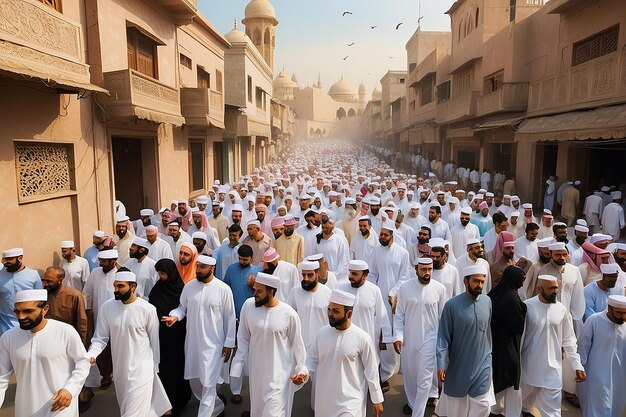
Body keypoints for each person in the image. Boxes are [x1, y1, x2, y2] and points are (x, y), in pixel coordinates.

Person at [87, 269, 171, 416]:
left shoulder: (148, 309)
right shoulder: (107, 307)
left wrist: (155, 368)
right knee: (128, 409)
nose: (116, 290)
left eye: (120, 286)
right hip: (120, 371)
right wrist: (92, 354)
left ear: (133, 287)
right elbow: (100, 338)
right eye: (114, 286)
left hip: (142, 370)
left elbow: (154, 341)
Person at [162, 255, 236, 417]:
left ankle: (206, 412)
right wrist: (175, 316)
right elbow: (182, 308)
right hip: (193, 344)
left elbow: (230, 317)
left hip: (215, 345)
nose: (198, 270)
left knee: (208, 384)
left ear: (212, 268)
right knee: (196, 383)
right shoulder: (189, 287)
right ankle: (217, 407)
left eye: (202, 267)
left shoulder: (223, 289)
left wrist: (229, 343)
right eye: (198, 266)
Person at [0, 289, 90, 417]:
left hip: (60, 407)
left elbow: (83, 362)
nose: (21, 316)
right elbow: (1, 377)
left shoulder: (65, 331)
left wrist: (70, 389)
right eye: (17, 312)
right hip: (26, 408)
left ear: (45, 309)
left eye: (28, 311)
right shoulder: (8, 338)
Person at [230, 272, 308, 417]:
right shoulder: (248, 306)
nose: (254, 294)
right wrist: (237, 365)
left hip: (280, 377)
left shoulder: (289, 314)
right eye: (254, 289)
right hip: (257, 374)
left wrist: (302, 370)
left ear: (271, 292)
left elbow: (298, 345)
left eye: (259, 291)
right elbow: (243, 338)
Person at [309, 289, 384, 417]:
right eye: (329, 310)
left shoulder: (362, 337)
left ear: (348, 314)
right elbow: (311, 360)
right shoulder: (321, 333)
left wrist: (377, 399)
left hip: (351, 401)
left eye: (336, 311)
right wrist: (303, 374)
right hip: (325, 400)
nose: (330, 314)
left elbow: (371, 370)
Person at [520, 275, 586, 417]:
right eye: (551, 288)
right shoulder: (527, 306)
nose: (555, 291)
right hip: (528, 369)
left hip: (553, 371)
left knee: (553, 413)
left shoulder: (561, 309)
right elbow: (519, 340)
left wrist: (577, 364)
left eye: (556, 287)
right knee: (521, 406)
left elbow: (569, 339)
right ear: (539, 289)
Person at [435, 265, 494, 417]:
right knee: (457, 410)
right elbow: (443, 336)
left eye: (482, 281)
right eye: (476, 281)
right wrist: (441, 364)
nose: (480, 285)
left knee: (483, 405)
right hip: (459, 366)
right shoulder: (452, 305)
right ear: (465, 281)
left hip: (483, 364)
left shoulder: (487, 301)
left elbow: (487, 332)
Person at [393, 257, 446, 417]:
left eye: (429, 269)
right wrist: (398, 336)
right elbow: (399, 315)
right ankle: (412, 402)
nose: (427, 273)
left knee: (424, 379)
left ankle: (418, 413)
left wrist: (442, 343)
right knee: (410, 374)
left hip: (431, 340)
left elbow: (443, 317)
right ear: (416, 269)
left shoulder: (439, 288)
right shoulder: (405, 288)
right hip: (409, 339)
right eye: (423, 269)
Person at [41, 266, 92, 411]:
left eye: (49, 281)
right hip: (49, 343)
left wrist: (81, 346)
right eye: (44, 280)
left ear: (60, 280)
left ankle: (81, 399)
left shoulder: (74, 295)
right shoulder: (43, 295)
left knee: (74, 373)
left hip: (70, 343)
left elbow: (82, 322)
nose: (45, 284)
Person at [286, 259, 332, 408]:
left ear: (317, 274)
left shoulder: (327, 293)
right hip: (298, 345)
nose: (305, 279)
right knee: (288, 381)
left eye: (309, 275)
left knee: (320, 385)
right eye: (303, 275)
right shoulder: (295, 291)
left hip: (320, 346)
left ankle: (317, 410)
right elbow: (287, 315)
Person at [149, 259, 191, 417]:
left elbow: (184, 311)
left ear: (171, 273)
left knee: (177, 369)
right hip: (161, 337)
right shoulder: (157, 288)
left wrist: (174, 319)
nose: (160, 276)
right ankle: (164, 404)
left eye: (163, 273)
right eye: (159, 273)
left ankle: (178, 402)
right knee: (164, 372)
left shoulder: (181, 290)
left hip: (177, 338)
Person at [576, 295, 626, 417]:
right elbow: (583, 346)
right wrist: (579, 368)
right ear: (609, 308)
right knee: (600, 409)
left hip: (619, 378)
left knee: (615, 408)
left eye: (625, 313)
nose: (623, 317)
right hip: (596, 377)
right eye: (619, 313)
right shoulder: (594, 320)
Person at [488, 266, 527, 417]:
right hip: (509, 346)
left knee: (499, 378)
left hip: (496, 343)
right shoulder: (511, 298)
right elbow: (516, 325)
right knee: (510, 382)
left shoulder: (497, 293)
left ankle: (495, 410)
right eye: (521, 280)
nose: (522, 283)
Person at [0, 247, 42, 334]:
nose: (5, 263)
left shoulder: (33, 275)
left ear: (20, 258)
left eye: (9, 260)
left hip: (28, 323)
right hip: (4, 324)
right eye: (4, 260)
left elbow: (40, 300)